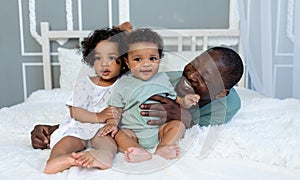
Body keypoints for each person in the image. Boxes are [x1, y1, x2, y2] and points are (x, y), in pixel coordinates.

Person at [31, 37, 244, 150]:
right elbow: (113, 111)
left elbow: (196, 127)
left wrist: (181, 114)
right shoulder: (165, 81)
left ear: (220, 93)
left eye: (206, 78)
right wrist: (58, 129)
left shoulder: (228, 105)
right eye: (195, 64)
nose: (192, 75)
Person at [98, 28, 199, 163]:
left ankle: (163, 146)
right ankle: (135, 149)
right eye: (138, 59)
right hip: (133, 131)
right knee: (119, 135)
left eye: (152, 58)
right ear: (127, 62)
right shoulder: (123, 84)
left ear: (159, 59)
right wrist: (112, 124)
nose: (146, 64)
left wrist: (185, 101)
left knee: (178, 125)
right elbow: (116, 109)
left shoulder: (162, 78)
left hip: (159, 130)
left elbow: (175, 100)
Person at [43, 27, 129, 174]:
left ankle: (102, 157)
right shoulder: (85, 83)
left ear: (123, 61)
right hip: (80, 125)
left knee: (108, 146)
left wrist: (110, 122)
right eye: (98, 58)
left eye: (111, 58)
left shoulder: (124, 83)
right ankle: (58, 159)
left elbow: (120, 108)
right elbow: (75, 111)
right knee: (66, 142)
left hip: (103, 130)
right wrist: (99, 116)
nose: (104, 63)